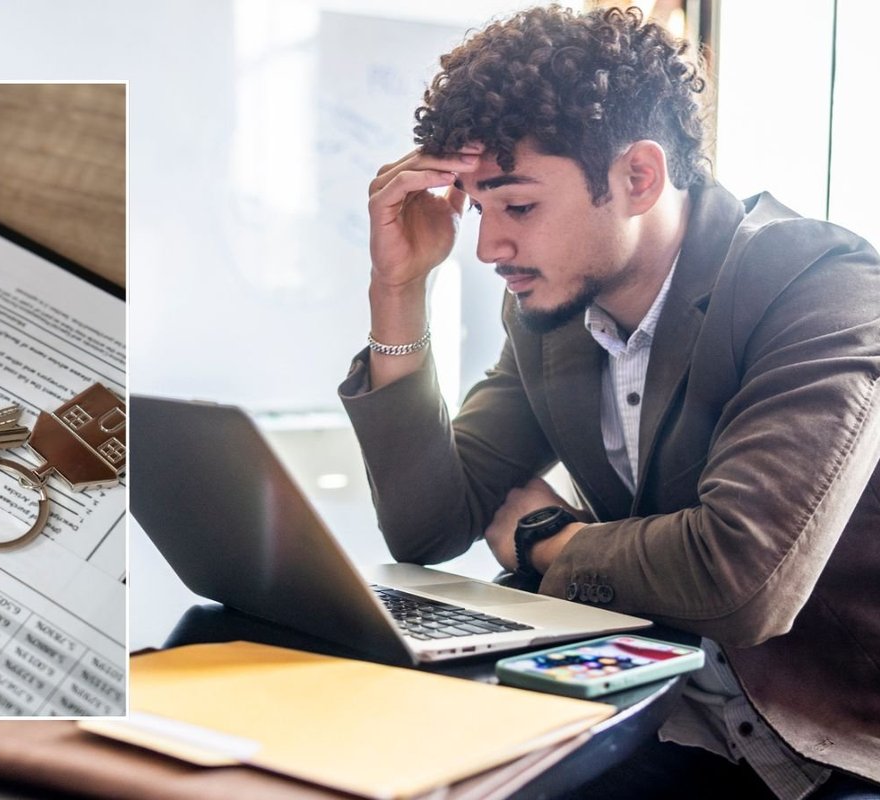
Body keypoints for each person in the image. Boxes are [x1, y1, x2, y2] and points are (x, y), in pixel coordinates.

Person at [339, 6, 880, 799]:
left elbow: (742, 578)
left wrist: (547, 539)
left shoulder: (818, 286)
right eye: (479, 209)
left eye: (517, 206)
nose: (488, 248)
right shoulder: (552, 315)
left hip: (825, 744)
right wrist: (399, 288)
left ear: (638, 178)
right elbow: (427, 526)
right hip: (656, 709)